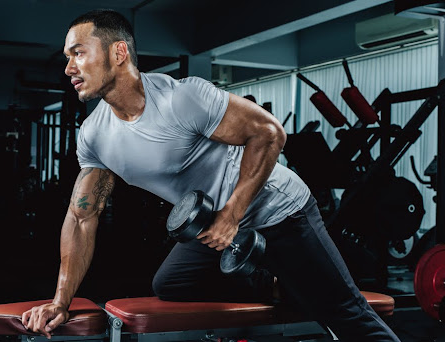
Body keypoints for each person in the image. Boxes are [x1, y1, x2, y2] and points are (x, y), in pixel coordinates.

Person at [21, 9, 400, 341]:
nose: (69, 67)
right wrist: (60, 301)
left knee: (347, 314)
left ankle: (308, 286)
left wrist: (232, 216)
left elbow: (268, 133)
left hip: (278, 209)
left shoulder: (180, 99)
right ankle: (278, 283)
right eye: (68, 57)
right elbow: (81, 217)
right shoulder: (95, 135)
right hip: (213, 225)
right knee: (172, 283)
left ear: (119, 52)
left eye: (79, 53)